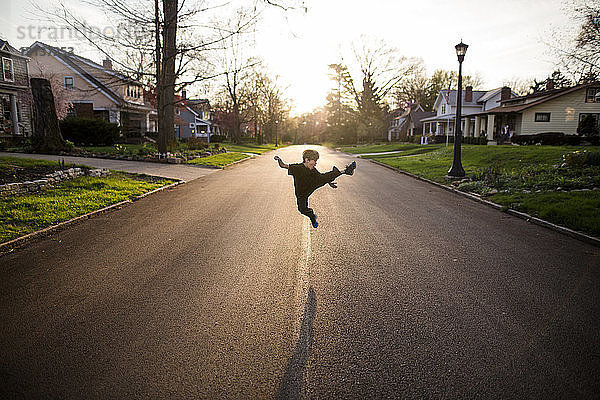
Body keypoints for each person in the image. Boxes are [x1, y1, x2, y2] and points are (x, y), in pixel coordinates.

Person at [275, 149, 356, 228]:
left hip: (311, 186)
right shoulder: (297, 167)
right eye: (314, 161)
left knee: (322, 177)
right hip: (301, 193)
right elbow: (283, 165)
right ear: (307, 160)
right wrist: (279, 159)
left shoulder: (313, 170)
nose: (316, 163)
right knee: (302, 209)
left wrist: (329, 182)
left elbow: (322, 178)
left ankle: (345, 171)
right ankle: (312, 216)